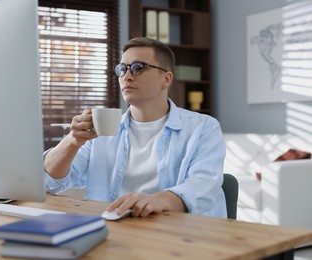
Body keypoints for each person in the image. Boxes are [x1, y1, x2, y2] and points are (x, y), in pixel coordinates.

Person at [43, 37, 227, 218]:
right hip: (112, 231)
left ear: (166, 78)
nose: (127, 76)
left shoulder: (203, 127)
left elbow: (204, 183)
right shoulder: (99, 130)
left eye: (138, 68)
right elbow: (50, 183)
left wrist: (160, 201)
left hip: (180, 235)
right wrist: (72, 141)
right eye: (122, 69)